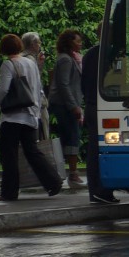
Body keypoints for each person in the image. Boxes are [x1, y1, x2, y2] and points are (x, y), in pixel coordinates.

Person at [0, 34, 63, 201]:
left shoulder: (8, 64)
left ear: (3, 49)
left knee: (10, 155)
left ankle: (9, 192)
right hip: (31, 116)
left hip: (13, 117)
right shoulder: (31, 63)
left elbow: (3, 89)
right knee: (32, 152)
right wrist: (36, 110)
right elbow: (38, 87)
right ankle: (53, 181)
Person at [79, 41, 117, 204]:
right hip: (100, 105)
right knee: (98, 150)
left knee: (95, 150)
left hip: (92, 104)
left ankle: (99, 191)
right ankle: (100, 191)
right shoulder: (108, 53)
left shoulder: (90, 53)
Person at [50, 28, 85, 187]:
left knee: (72, 137)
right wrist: (74, 106)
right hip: (66, 105)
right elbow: (64, 85)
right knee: (72, 138)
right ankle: (73, 174)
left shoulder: (71, 58)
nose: (80, 43)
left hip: (68, 104)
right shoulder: (65, 59)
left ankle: (71, 173)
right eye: (77, 41)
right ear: (70, 42)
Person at [21, 31, 50, 138]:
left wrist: (39, 64)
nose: (40, 44)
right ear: (32, 44)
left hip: (29, 104)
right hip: (36, 104)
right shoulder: (29, 59)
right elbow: (35, 83)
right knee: (41, 136)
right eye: (38, 42)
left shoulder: (23, 58)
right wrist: (42, 102)